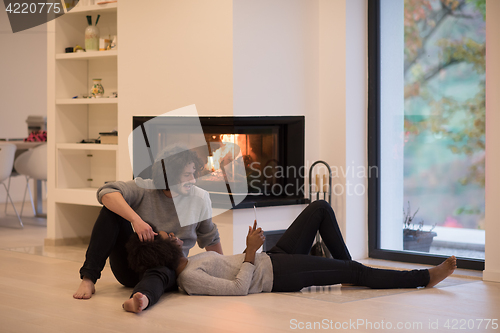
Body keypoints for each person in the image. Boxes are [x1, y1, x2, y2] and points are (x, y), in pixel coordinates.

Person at [122, 200, 457, 313]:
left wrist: (252, 250)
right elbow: (240, 289)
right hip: (279, 275)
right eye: (167, 236)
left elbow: (235, 265)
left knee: (320, 209)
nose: (174, 234)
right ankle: (424, 277)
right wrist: (251, 252)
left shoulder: (194, 259)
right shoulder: (189, 279)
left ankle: (346, 269)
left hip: (274, 258)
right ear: (164, 251)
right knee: (352, 270)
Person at [73, 145, 223, 299]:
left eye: (193, 173)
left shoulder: (200, 198)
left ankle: (141, 298)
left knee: (163, 271)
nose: (193, 180)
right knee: (110, 211)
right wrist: (136, 220)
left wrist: (221, 272)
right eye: (187, 175)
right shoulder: (145, 188)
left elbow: (210, 238)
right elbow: (106, 192)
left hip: (167, 268)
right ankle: (88, 278)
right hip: (131, 267)